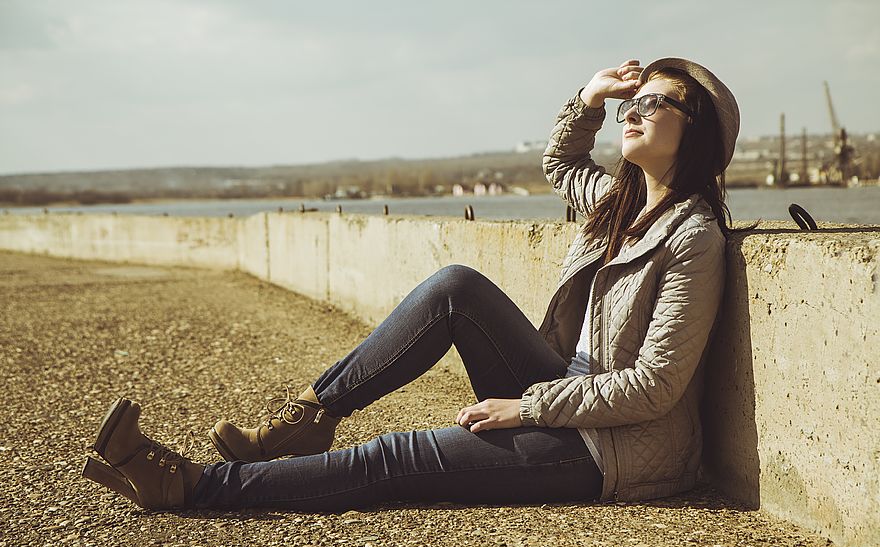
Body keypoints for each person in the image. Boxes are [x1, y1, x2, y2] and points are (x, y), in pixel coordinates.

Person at [82, 57, 755, 511]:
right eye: (632, 99)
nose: (632, 110)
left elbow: (655, 387)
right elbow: (560, 157)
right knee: (455, 285)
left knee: (398, 456)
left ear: (695, 131)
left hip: (606, 448)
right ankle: (309, 418)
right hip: (561, 392)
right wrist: (588, 98)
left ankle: (191, 485)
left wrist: (524, 408)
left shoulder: (693, 237)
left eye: (656, 101)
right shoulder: (616, 200)